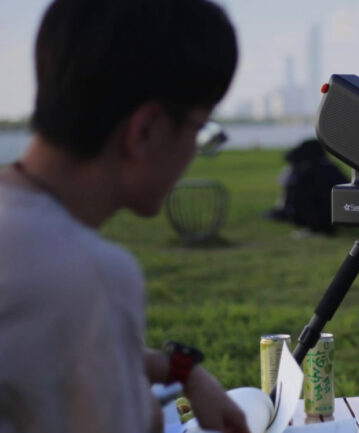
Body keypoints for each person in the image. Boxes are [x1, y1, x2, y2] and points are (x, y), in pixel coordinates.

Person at [0, 0, 248, 432]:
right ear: (146, 130)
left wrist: (182, 371)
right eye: (199, 128)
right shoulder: (89, 274)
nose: (194, 153)